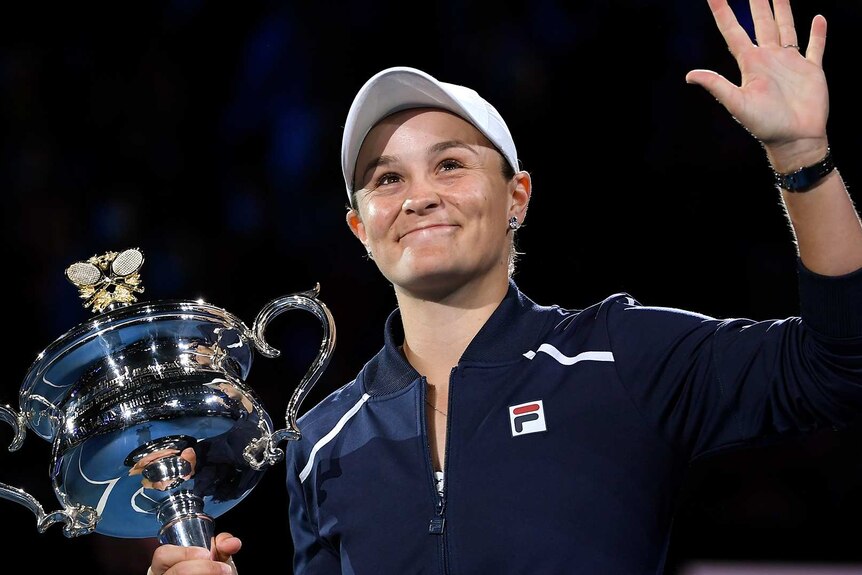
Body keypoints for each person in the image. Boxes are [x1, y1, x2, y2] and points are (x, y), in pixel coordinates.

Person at [147, 0, 862, 573]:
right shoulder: (321, 437)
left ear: (517, 196)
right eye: (387, 178)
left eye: (450, 164)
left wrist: (801, 155)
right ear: (361, 229)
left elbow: (838, 366)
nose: (418, 195)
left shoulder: (620, 356)